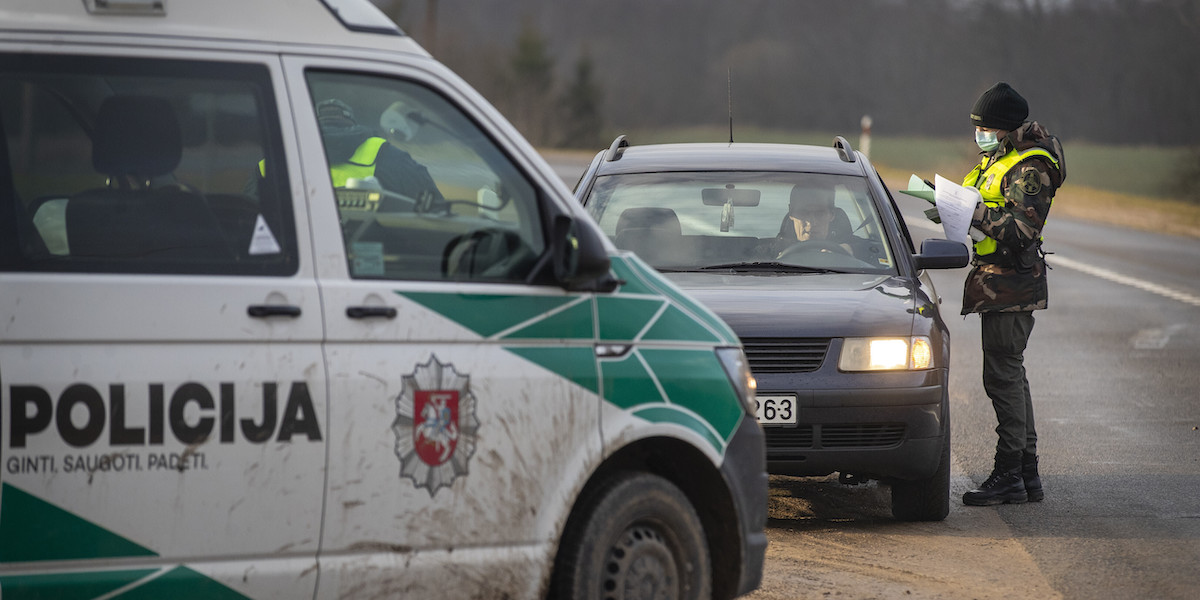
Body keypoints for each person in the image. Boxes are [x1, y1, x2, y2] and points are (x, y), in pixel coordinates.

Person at [958, 82, 1065, 506]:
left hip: (1011, 285)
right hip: (998, 283)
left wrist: (971, 211)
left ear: (1003, 129)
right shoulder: (999, 159)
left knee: (1002, 379)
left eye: (983, 128)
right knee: (1010, 377)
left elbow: (1021, 232)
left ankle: (1008, 474)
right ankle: (1026, 474)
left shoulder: (1030, 168)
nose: (978, 135)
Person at [763, 181, 861, 260]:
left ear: (832, 214)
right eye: (803, 213)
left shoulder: (852, 247)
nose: (811, 222)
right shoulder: (770, 250)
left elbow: (873, 248)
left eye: (820, 214)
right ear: (791, 212)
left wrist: (851, 250)